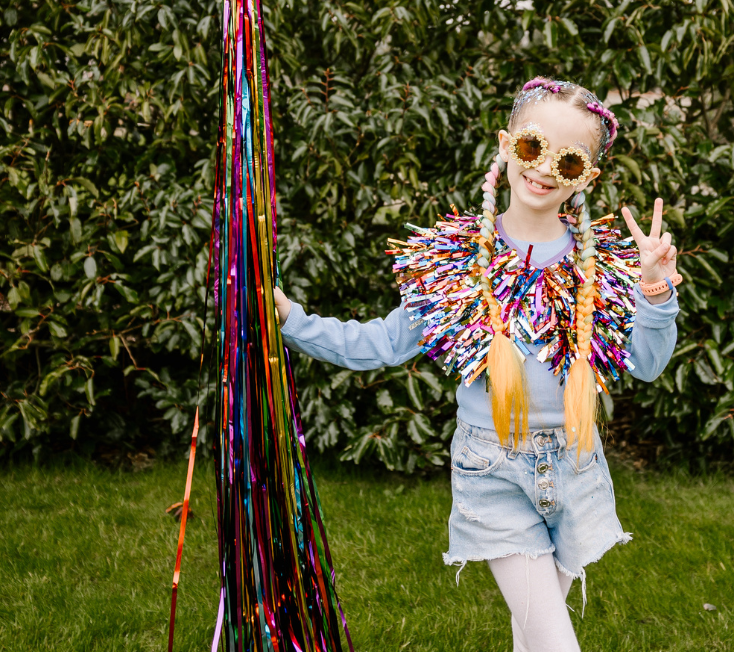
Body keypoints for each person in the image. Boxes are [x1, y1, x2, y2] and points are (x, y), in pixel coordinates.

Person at [273, 77, 681, 652]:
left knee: (532, 636)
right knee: (553, 642)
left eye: (567, 160)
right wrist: (292, 318)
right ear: (506, 144)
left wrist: (656, 294)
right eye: (533, 147)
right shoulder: (457, 262)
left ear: (585, 177)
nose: (544, 170)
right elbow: (381, 344)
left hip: (577, 469)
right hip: (492, 471)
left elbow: (645, 364)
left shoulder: (603, 268)